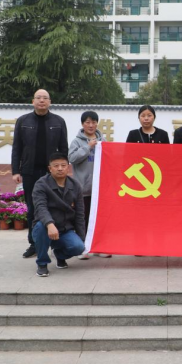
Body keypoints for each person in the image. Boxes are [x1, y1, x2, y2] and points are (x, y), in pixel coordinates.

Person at [11, 89, 68, 259]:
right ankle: (34, 243)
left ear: (50, 102)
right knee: (32, 207)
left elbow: (63, 148)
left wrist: (62, 169)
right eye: (38, 98)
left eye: (45, 98)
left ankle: (56, 244)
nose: (41, 101)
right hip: (30, 171)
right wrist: (16, 170)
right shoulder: (23, 121)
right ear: (33, 101)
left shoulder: (58, 121)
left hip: (52, 173)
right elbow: (17, 148)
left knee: (55, 207)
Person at [32, 152, 86, 277]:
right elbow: (40, 207)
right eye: (56, 166)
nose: (60, 168)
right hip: (45, 227)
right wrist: (50, 224)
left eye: (63, 165)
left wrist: (82, 239)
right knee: (40, 227)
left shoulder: (75, 185)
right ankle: (42, 263)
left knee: (78, 247)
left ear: (68, 167)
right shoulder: (41, 184)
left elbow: (79, 214)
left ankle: (60, 255)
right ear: (50, 168)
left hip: (65, 229)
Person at [68, 110, 111, 260]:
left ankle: (99, 247)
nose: (91, 125)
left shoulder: (103, 140)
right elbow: (72, 158)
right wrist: (88, 147)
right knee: (83, 219)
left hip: (99, 189)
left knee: (100, 219)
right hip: (83, 189)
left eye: (93, 122)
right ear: (82, 124)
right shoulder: (76, 141)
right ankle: (83, 248)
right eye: (87, 122)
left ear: (97, 124)